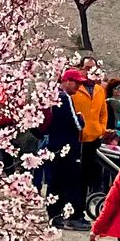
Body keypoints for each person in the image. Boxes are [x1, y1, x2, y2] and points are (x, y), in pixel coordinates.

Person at [65, 68, 115, 230]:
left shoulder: (100, 90)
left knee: (86, 177)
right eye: (87, 68)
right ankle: (72, 213)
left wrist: (100, 129)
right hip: (76, 138)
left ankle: (79, 211)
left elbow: (103, 113)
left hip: (93, 139)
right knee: (73, 176)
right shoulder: (74, 89)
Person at [44, 69, 86, 228]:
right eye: (77, 82)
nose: (78, 86)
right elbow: (77, 124)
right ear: (67, 81)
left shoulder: (53, 96)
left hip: (54, 143)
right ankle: (65, 215)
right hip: (67, 147)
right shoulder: (65, 98)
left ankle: (54, 215)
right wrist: (81, 118)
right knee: (68, 181)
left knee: (55, 181)